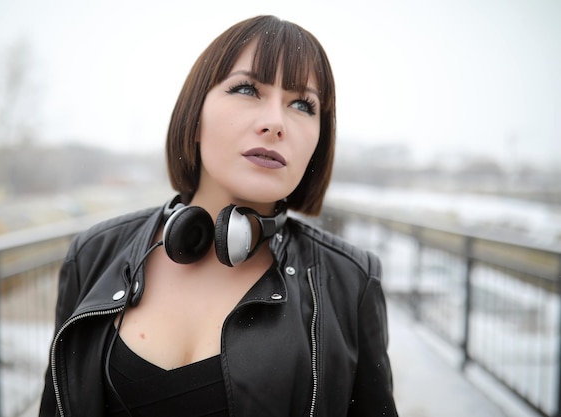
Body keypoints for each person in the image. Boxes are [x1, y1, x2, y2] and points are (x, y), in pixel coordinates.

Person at [39, 15, 398, 417]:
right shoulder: (94, 254)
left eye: (302, 104)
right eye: (247, 89)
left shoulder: (350, 281)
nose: (275, 123)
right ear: (194, 118)